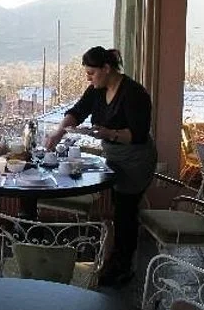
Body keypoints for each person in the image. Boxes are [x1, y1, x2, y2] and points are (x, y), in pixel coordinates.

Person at [45, 46, 157, 286]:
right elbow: (77, 112)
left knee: (126, 212)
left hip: (136, 159)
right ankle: (116, 262)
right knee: (120, 210)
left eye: (91, 73)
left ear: (107, 68)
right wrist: (58, 133)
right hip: (114, 156)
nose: (89, 78)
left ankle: (122, 268)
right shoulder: (97, 90)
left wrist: (108, 133)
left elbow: (137, 134)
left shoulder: (134, 93)